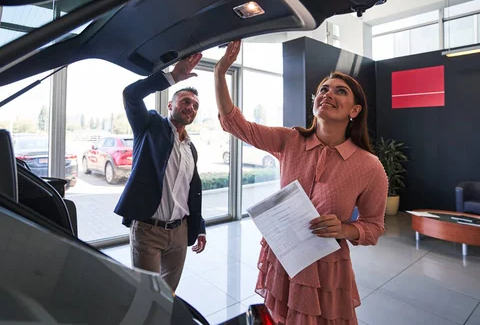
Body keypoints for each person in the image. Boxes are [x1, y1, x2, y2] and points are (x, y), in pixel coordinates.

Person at [214, 40, 388, 324]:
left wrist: (345, 228)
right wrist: (220, 72)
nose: (328, 94)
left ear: (354, 111)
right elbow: (235, 124)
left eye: (340, 91)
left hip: (325, 268)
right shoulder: (290, 140)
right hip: (283, 255)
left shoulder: (369, 166)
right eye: (323, 89)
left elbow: (373, 227)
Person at [114, 53, 207, 292]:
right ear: (170, 105)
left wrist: (199, 226)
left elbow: (187, 190)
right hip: (148, 231)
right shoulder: (150, 127)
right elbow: (131, 95)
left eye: (195, 106)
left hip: (180, 233)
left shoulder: (190, 148)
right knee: (146, 294)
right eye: (186, 101)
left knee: (168, 295)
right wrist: (172, 77)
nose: (190, 107)